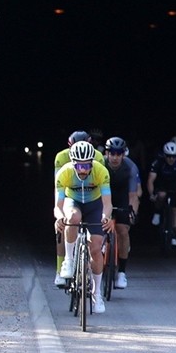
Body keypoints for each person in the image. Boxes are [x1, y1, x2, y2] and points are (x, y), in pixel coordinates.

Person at [53, 141, 113, 314]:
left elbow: (107, 203)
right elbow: (58, 205)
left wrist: (106, 217)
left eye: (87, 165)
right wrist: (59, 217)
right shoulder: (64, 173)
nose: (83, 170)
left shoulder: (101, 171)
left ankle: (97, 293)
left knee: (95, 249)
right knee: (72, 217)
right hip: (74, 203)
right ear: (73, 163)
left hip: (95, 205)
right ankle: (69, 260)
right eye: (79, 165)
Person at [52, 130, 104, 284]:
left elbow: (101, 184)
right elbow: (58, 185)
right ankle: (61, 267)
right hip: (70, 193)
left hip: (93, 195)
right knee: (65, 225)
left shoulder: (98, 157)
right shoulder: (61, 158)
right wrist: (59, 211)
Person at [103, 136, 141, 289]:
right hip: (103, 196)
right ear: (107, 153)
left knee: (123, 231)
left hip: (122, 197)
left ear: (123, 154)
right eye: (112, 153)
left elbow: (133, 195)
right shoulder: (100, 164)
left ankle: (122, 273)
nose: (115, 157)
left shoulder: (130, 167)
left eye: (119, 154)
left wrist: (133, 211)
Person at [147, 140, 176, 247]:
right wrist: (151, 194)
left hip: (175, 186)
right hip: (162, 184)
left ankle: (173, 234)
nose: (171, 159)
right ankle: (157, 212)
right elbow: (150, 180)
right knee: (161, 195)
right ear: (164, 155)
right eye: (168, 156)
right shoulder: (158, 162)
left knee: (175, 210)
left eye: (174, 156)